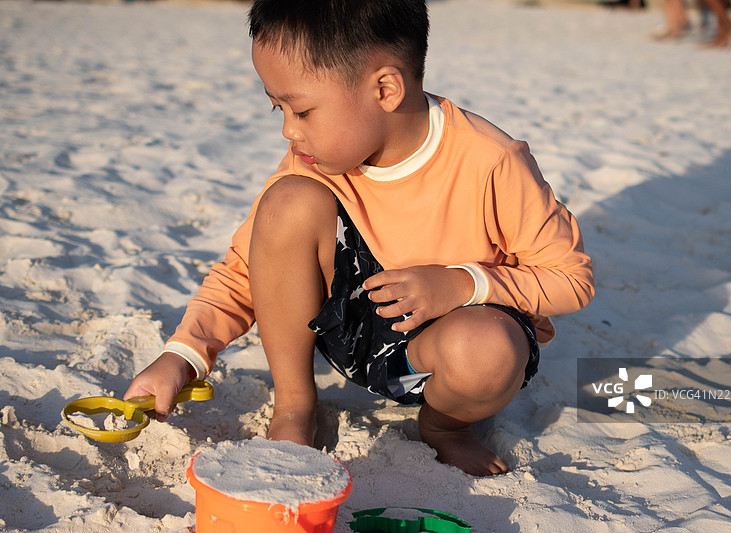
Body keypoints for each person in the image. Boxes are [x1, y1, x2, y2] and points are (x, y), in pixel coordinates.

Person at [124, 0, 594, 477]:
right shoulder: (312, 161)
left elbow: (571, 279)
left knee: (488, 347)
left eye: (303, 110)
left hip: (449, 349)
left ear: (386, 87)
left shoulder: (490, 160)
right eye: (277, 107)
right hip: (353, 331)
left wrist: (461, 284)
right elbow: (250, 264)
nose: (289, 130)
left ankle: (447, 427)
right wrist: (182, 355)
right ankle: (294, 408)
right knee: (287, 202)